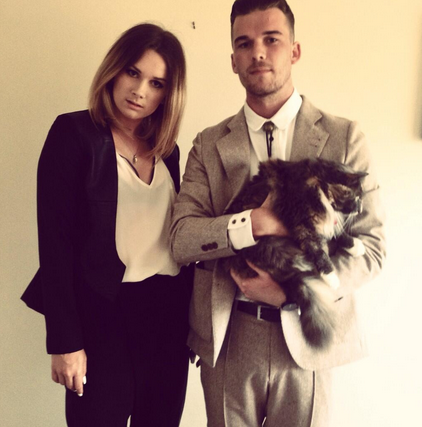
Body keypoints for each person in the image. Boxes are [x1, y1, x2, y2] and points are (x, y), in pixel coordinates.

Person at [170, 0, 386, 426]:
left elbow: (372, 248)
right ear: (233, 60)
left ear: (294, 50)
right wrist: (252, 224)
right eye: (244, 44)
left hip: (309, 339)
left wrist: (294, 293)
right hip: (229, 338)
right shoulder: (208, 144)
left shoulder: (344, 137)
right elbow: (182, 238)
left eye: (271, 39)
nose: (258, 53)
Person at [21, 23, 191, 427]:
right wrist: (64, 342)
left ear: (169, 93)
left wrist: (197, 325)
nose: (140, 91)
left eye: (156, 83)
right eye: (133, 72)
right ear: (114, 70)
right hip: (102, 317)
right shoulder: (72, 134)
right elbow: (55, 245)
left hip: (167, 319)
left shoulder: (168, 151)